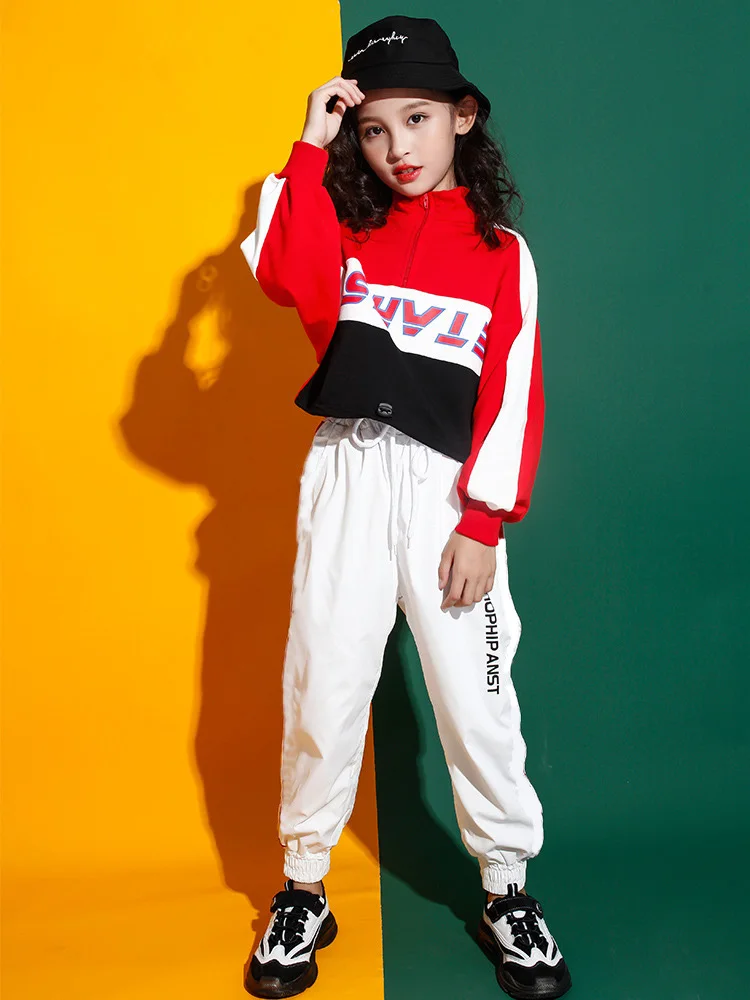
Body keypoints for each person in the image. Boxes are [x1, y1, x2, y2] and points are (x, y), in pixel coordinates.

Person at [240, 15, 572, 1000]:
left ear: (463, 117)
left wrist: (483, 519)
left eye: (418, 119)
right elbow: (278, 271)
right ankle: (305, 885)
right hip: (347, 472)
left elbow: (514, 389)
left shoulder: (502, 252)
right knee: (324, 685)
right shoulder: (343, 229)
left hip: (446, 491)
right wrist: (311, 140)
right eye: (374, 128)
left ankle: (507, 890)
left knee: (477, 699)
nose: (397, 148)